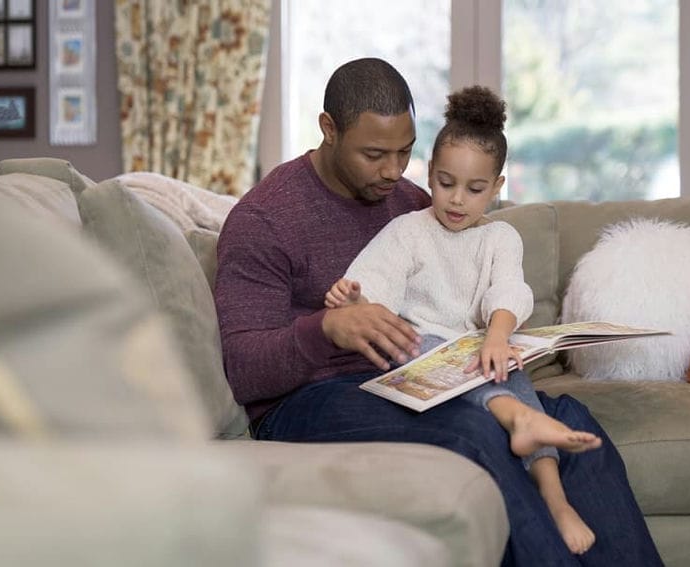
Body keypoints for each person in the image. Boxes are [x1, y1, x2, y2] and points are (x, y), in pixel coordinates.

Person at [215, 57, 663, 566]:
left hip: (421, 375)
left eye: (405, 152)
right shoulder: (264, 219)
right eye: (374, 154)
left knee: (567, 418)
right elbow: (244, 369)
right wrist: (328, 328)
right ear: (328, 130)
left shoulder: (410, 201)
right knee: (471, 433)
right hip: (310, 399)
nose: (392, 171)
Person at [323, 85, 599, 555]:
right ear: (429, 174)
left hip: (478, 349)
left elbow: (509, 291)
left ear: (497, 188)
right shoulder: (408, 231)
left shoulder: (501, 238)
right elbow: (373, 290)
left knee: (510, 373)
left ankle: (555, 501)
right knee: (422, 345)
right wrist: (350, 298)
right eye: (445, 183)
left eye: (474, 190)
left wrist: (497, 338)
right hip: (421, 355)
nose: (456, 201)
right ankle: (517, 419)